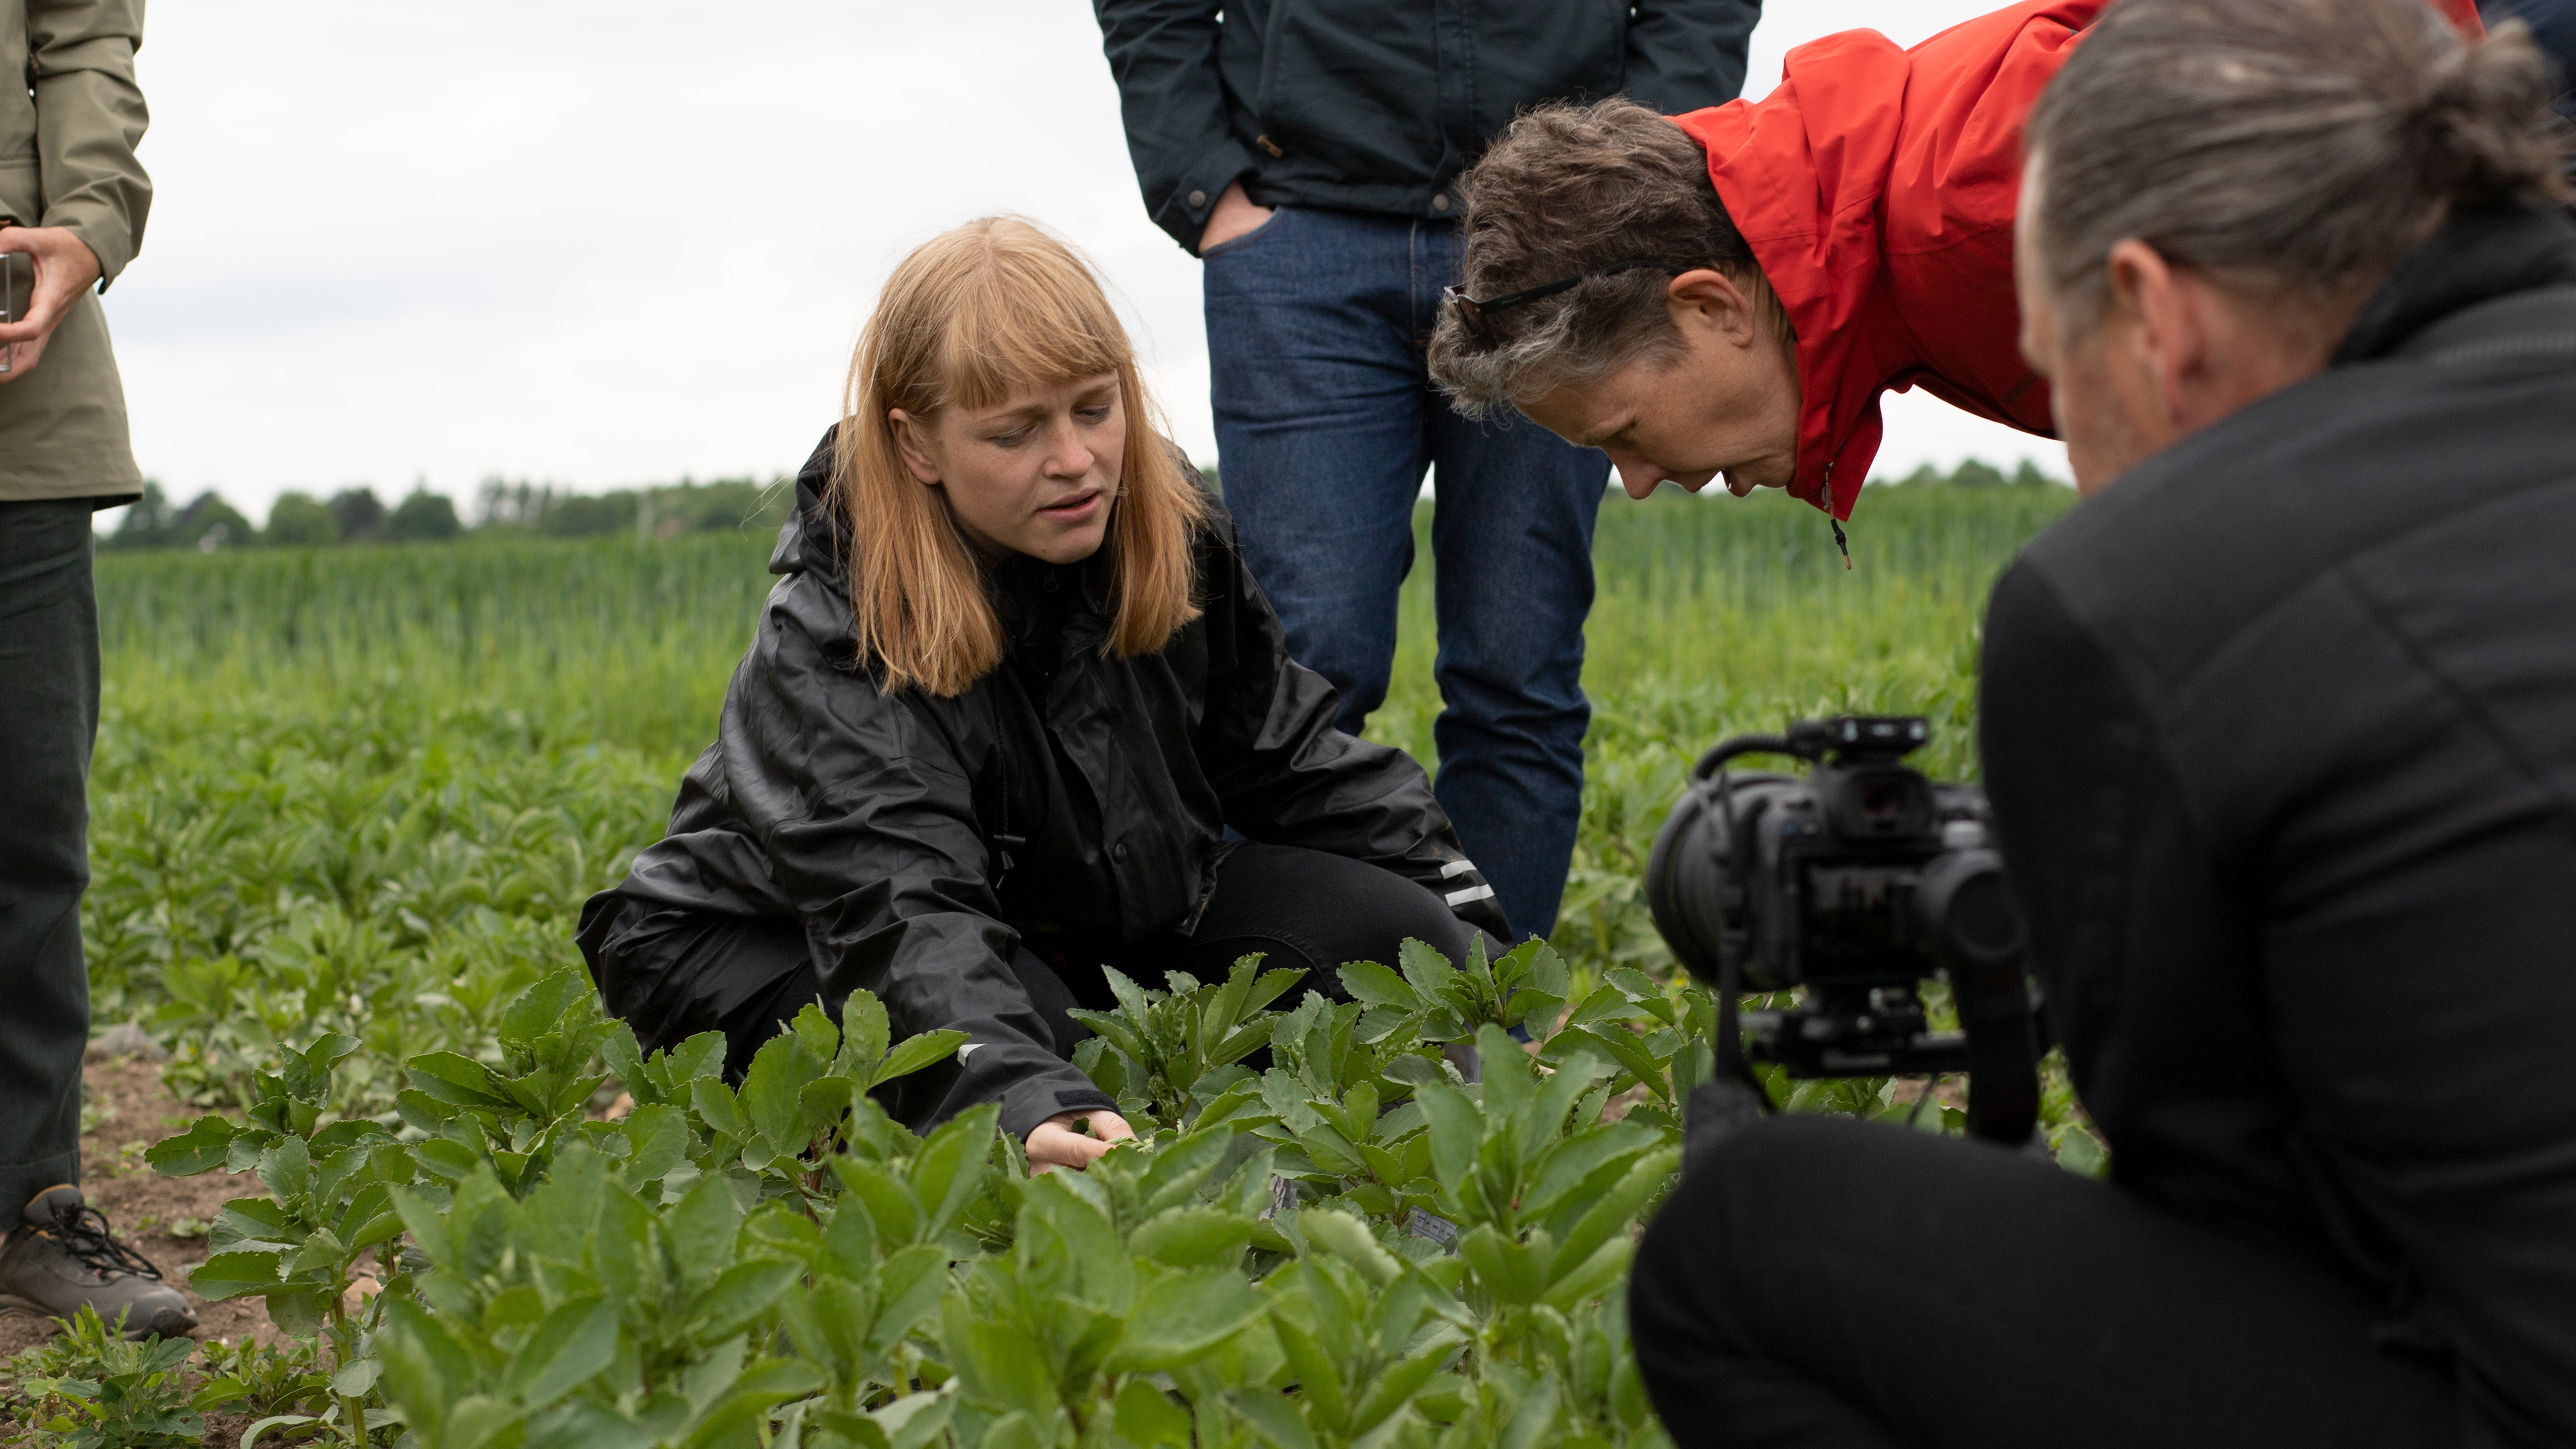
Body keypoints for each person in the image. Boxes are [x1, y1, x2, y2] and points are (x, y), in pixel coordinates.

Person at [1626, 0, 2576, 1444]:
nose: (2072, 448)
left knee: (1745, 1237)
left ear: (2151, 308)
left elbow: (2232, 1203)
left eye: (2056, 376)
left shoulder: (2130, 591)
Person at [576, 219, 1510, 1174]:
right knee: (1045, 1062)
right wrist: (1013, 1092)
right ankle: (736, 1117)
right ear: (917, 443)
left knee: (1406, 943)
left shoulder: (1164, 523)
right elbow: (899, 909)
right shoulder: (838, 635)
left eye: (1094, 409)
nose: (1073, 460)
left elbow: (1287, 756)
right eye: (1015, 432)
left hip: (1049, 916)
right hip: (776, 940)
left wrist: (1472, 931)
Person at [1090, 0, 1760, 944]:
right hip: (1299, 228)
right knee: (1290, 672)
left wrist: (1633, 176)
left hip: (1561, 229)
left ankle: (1482, 1028)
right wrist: (1204, 182)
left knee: (1518, 669)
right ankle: (1267, 1028)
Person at [1424, 0, 2483, 531]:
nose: (1640, 485)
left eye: (1621, 434)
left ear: (1709, 304)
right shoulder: (1884, 228)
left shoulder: (1981, 212)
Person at [0, 0, 193, 1339]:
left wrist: (89, 218)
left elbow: (77, 33)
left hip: (18, 388)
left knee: (26, 819)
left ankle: (30, 1200)